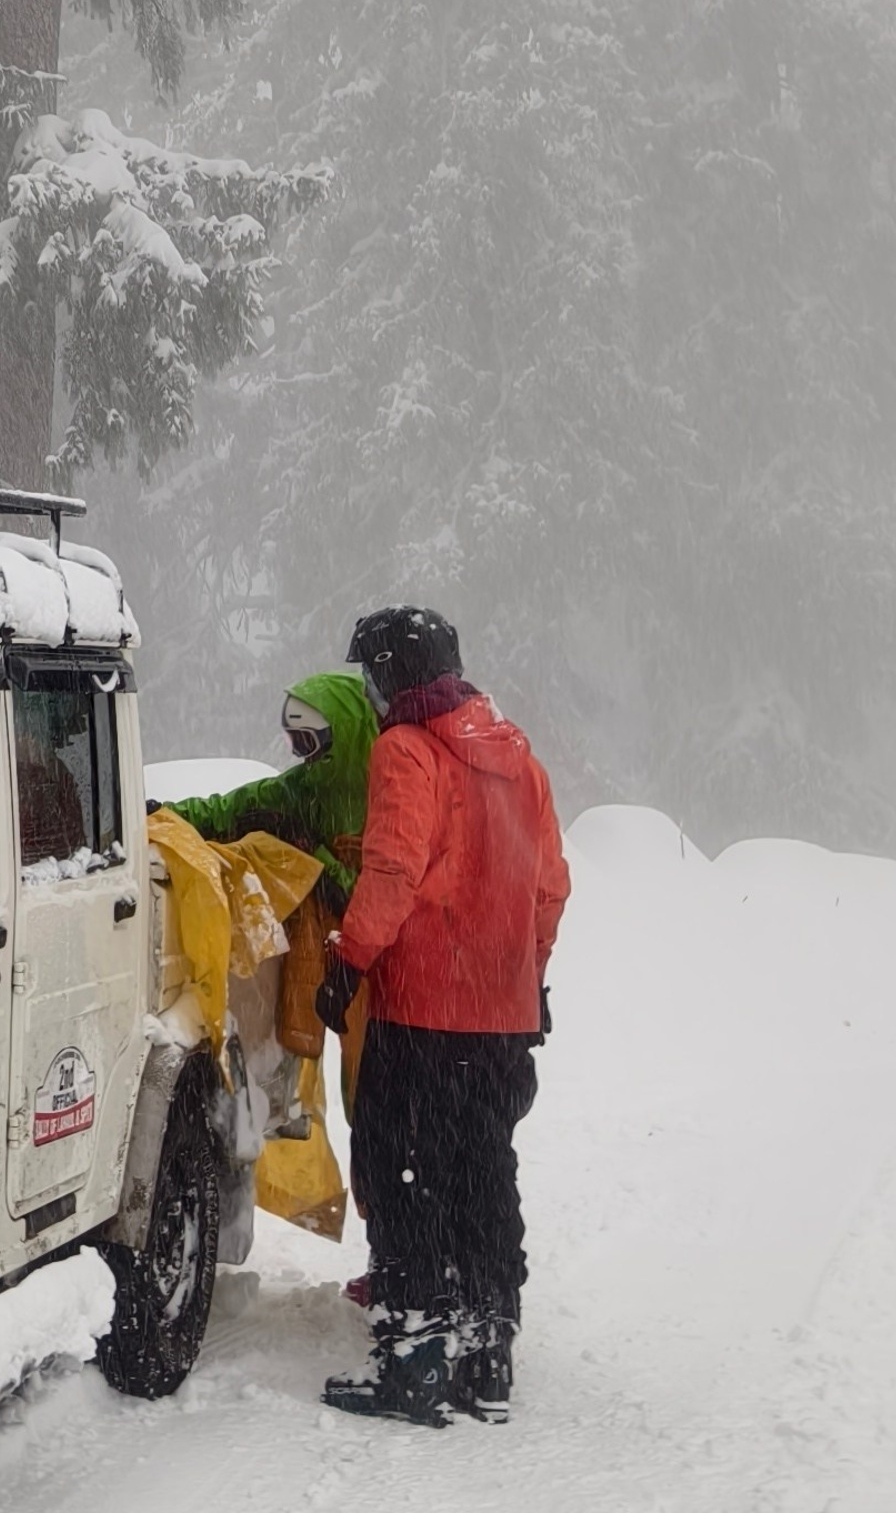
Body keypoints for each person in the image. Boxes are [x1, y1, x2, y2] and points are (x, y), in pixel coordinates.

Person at [315, 605, 570, 1430]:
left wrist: (347, 963)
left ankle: (415, 1357)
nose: (372, 691)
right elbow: (550, 887)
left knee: (402, 1172)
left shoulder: (407, 751)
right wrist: (530, 979)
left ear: (396, 673)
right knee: (480, 1174)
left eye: (374, 674)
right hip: (501, 1016)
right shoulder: (518, 757)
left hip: (423, 1009)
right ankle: (486, 1350)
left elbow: (392, 873)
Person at [158, 671, 380, 909]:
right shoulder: (305, 787)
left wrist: (313, 851)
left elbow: (371, 903)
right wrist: (166, 813)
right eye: (292, 742)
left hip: (368, 940)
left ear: (343, 734)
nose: (301, 756)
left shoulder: (393, 794)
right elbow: (227, 809)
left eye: (306, 742)